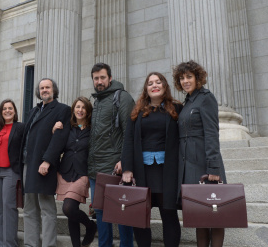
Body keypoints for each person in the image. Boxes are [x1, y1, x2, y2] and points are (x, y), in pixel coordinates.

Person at [121, 72, 182, 247]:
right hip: (142, 171)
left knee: (169, 215)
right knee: (140, 217)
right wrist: (127, 168)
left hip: (167, 171)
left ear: (164, 85)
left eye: (158, 82)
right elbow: (128, 141)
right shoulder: (137, 111)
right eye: (150, 83)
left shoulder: (177, 108)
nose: (154, 85)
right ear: (146, 89)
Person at [172, 60, 227, 247]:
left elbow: (212, 133)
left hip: (205, 162)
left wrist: (213, 166)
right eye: (182, 78)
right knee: (199, 214)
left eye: (189, 77)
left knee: (215, 214)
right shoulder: (187, 101)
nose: (185, 81)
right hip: (190, 166)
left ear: (197, 78)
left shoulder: (206, 98)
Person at [88, 63, 135, 247]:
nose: (99, 82)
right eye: (96, 78)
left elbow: (128, 132)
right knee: (99, 211)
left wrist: (125, 160)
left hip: (115, 166)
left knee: (121, 211)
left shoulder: (122, 97)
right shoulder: (97, 101)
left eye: (102, 78)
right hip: (95, 168)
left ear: (110, 78)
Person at [20, 78, 71, 247]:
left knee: (47, 208)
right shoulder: (34, 110)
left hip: (43, 164)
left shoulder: (63, 110)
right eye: (42, 88)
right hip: (28, 162)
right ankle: (30, 244)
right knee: (29, 208)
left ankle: (49, 245)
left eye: (47, 87)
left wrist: (47, 161)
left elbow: (60, 138)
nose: (44, 90)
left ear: (54, 90)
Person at [53, 97, 97, 247]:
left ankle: (90, 226)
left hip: (82, 173)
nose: (80, 110)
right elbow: (57, 145)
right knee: (71, 214)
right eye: (78, 107)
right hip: (65, 172)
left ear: (88, 111)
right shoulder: (67, 128)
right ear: (73, 110)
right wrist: (54, 131)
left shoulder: (93, 130)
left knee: (68, 207)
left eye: (84, 107)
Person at [0, 99, 24, 247]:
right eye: (4, 109)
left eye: (10, 108)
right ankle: (1, 244)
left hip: (10, 170)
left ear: (14, 111)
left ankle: (10, 244)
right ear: (1, 112)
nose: (7, 111)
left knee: (9, 207)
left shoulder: (20, 127)